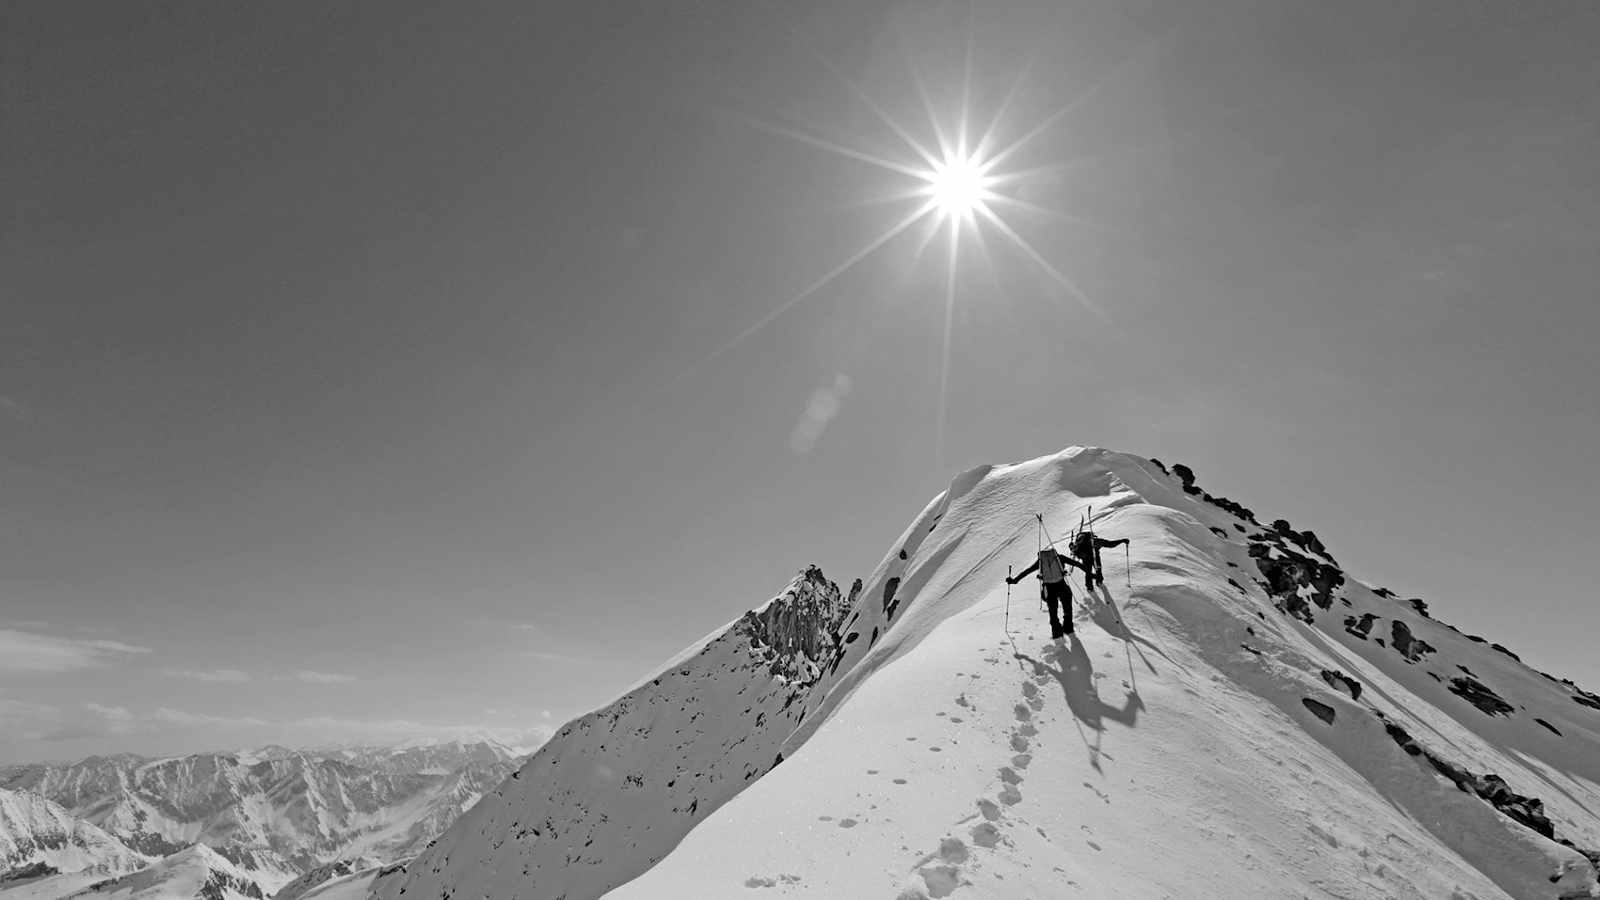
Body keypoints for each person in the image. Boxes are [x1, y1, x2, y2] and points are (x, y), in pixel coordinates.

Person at [1007, 547, 1087, 639]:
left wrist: (1014, 580)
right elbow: (1077, 564)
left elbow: (1027, 571)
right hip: (1062, 586)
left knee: (1053, 612)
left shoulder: (1041, 562)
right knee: (1067, 609)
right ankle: (1068, 629)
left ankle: (1057, 634)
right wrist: (1091, 573)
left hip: (1049, 589)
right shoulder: (1059, 557)